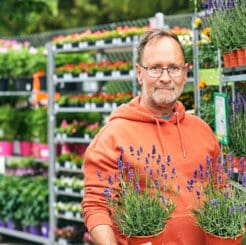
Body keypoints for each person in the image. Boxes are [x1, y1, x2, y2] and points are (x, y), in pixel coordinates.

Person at [81, 28, 221, 245]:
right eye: (155, 68)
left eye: (173, 68)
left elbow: (221, 192)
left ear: (185, 72)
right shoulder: (113, 136)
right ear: (139, 73)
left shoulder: (202, 131)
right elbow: (97, 207)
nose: (165, 78)